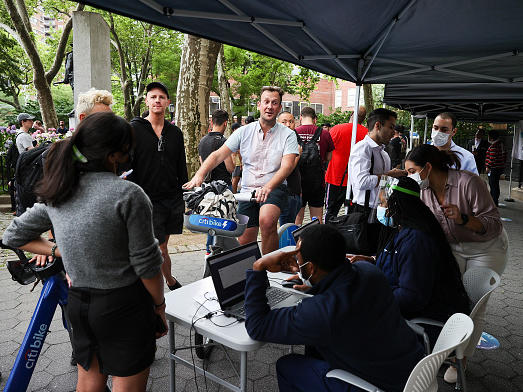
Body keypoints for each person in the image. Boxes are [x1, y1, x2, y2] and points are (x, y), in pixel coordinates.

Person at [2, 112, 166, 391]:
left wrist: (59, 250)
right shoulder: (128, 194)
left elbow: (13, 234)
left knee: (89, 383)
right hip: (124, 305)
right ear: (116, 155)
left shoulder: (59, 192)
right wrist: (159, 306)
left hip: (79, 305)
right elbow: (147, 266)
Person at [244, 224, 424, 392]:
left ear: (312, 268)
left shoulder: (322, 313)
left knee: (287, 365)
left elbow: (257, 326)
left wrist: (258, 268)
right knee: (315, 346)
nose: (298, 265)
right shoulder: (369, 271)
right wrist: (317, 286)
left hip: (382, 385)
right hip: (411, 368)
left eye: (299, 261)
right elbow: (344, 291)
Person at [350, 176, 469, 345]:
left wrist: (372, 298)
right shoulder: (405, 231)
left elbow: (410, 297)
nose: (381, 208)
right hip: (403, 313)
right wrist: (371, 262)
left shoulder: (416, 240)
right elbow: (399, 266)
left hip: (418, 326)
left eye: (384, 204)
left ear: (396, 206)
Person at [184, 86, 299, 254]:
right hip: (247, 191)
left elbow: (287, 165)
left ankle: (270, 270)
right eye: (266, 102)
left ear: (280, 108)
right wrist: (199, 175)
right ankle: (251, 274)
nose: (270, 106)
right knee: (244, 241)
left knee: (267, 221)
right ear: (259, 105)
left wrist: (268, 187)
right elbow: (217, 155)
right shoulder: (245, 131)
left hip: (273, 187)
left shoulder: (288, 134)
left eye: (274, 103)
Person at [405, 144, 508, 276]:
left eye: (412, 172)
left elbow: (494, 224)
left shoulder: (468, 182)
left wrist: (463, 218)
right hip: (452, 247)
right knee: (451, 292)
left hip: (485, 248)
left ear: (428, 167)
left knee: (473, 294)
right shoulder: (423, 190)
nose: (409, 177)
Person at [130, 81, 187, 290]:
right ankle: (166, 286)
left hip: (171, 199)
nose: (157, 100)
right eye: (153, 97)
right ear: (146, 100)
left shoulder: (175, 133)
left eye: (161, 97)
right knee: (160, 247)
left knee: (163, 245)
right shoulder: (134, 129)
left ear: (168, 103)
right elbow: (128, 164)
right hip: (146, 199)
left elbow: (181, 164)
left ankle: (164, 281)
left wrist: (184, 194)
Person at [347, 108, 406, 253]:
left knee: (378, 251)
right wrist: (388, 175)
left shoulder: (384, 153)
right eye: (391, 127)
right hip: (363, 212)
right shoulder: (362, 149)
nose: (394, 132)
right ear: (377, 125)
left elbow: (384, 185)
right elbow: (360, 182)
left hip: (381, 211)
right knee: (364, 253)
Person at [198, 109, 235, 253]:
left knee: (211, 221)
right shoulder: (224, 142)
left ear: (212, 121)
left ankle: (209, 250)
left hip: (207, 188)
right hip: (223, 187)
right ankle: (218, 250)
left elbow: (203, 166)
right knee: (225, 221)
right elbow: (230, 168)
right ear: (225, 123)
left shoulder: (202, 141)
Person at [324, 106, 368, 223]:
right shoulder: (367, 133)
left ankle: (328, 234)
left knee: (331, 211)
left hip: (335, 177)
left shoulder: (337, 129)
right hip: (356, 179)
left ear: (351, 114)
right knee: (353, 213)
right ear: (363, 118)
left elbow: (326, 151)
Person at [294, 106, 334, 224]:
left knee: (297, 219)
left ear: (301, 118)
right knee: (316, 219)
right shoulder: (325, 134)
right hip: (317, 182)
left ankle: (296, 242)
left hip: (297, 182)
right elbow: (329, 158)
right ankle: (316, 241)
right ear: (315, 119)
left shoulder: (293, 133)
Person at [277, 111, 302, 225]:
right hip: (285, 193)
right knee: (286, 228)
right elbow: (286, 169)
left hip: (295, 192)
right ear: (277, 123)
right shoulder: (277, 142)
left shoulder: (294, 139)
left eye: (291, 122)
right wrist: (297, 155)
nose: (288, 125)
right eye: (284, 122)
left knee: (290, 225)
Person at [485, 130, 506, 206]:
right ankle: (494, 200)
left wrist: (488, 167)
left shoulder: (494, 146)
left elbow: (492, 158)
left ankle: (493, 202)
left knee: (493, 185)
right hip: (499, 167)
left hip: (494, 168)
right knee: (495, 185)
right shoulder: (501, 144)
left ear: (491, 137)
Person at [230, 122, 243, 193]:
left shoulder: (236, 137)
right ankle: (234, 195)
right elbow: (236, 152)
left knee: (236, 180)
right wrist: (240, 163)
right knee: (235, 180)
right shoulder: (235, 138)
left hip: (238, 162)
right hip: (237, 163)